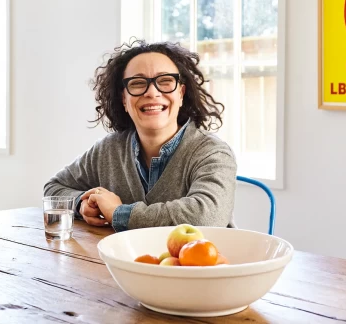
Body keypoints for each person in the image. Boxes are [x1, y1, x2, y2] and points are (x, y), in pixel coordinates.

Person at [43, 40, 236, 232]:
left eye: (165, 81)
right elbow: (54, 188)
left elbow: (207, 217)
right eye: (137, 83)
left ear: (181, 94)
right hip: (122, 262)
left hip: (200, 262)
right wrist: (81, 204)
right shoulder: (108, 150)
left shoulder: (213, 153)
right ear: (124, 99)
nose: (152, 92)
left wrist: (118, 213)